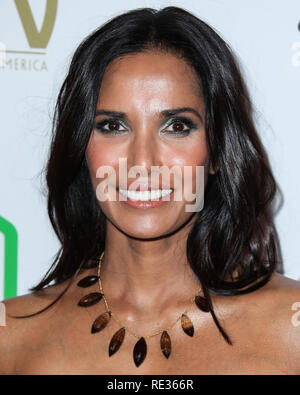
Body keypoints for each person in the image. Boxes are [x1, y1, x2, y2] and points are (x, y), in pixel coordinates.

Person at [1, 6, 300, 375]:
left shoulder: (292, 331)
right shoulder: (11, 336)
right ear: (81, 149)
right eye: (112, 126)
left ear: (218, 152)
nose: (142, 161)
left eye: (177, 126)